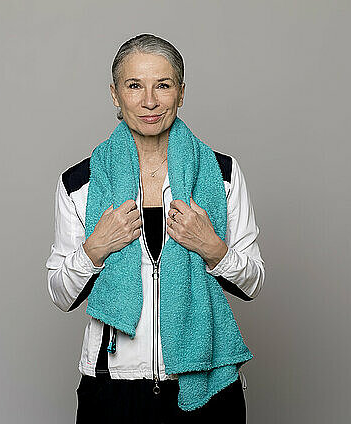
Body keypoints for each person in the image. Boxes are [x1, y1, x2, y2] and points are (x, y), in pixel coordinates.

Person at [46, 33, 265, 423]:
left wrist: (212, 249)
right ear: (115, 94)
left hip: (204, 379)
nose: (149, 101)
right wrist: (94, 249)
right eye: (134, 86)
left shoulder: (223, 175)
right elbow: (61, 294)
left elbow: (252, 282)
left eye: (162, 85)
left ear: (181, 93)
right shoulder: (81, 184)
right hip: (113, 385)